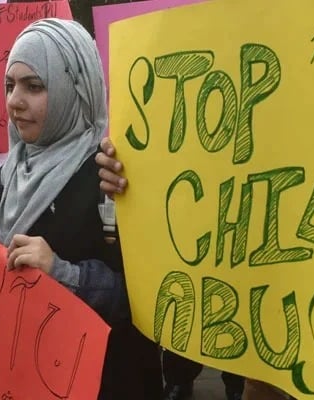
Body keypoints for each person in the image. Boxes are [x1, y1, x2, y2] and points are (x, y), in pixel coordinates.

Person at [0, 18, 162, 399]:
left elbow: (140, 299)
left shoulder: (111, 176)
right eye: (9, 85)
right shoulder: (6, 179)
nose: (14, 101)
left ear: (76, 89)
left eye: (34, 86)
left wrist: (62, 273)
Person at [97, 138, 295, 400]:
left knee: (245, 303)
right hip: (192, 210)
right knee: (189, 297)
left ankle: (236, 381)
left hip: (254, 208)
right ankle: (180, 377)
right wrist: (134, 175)